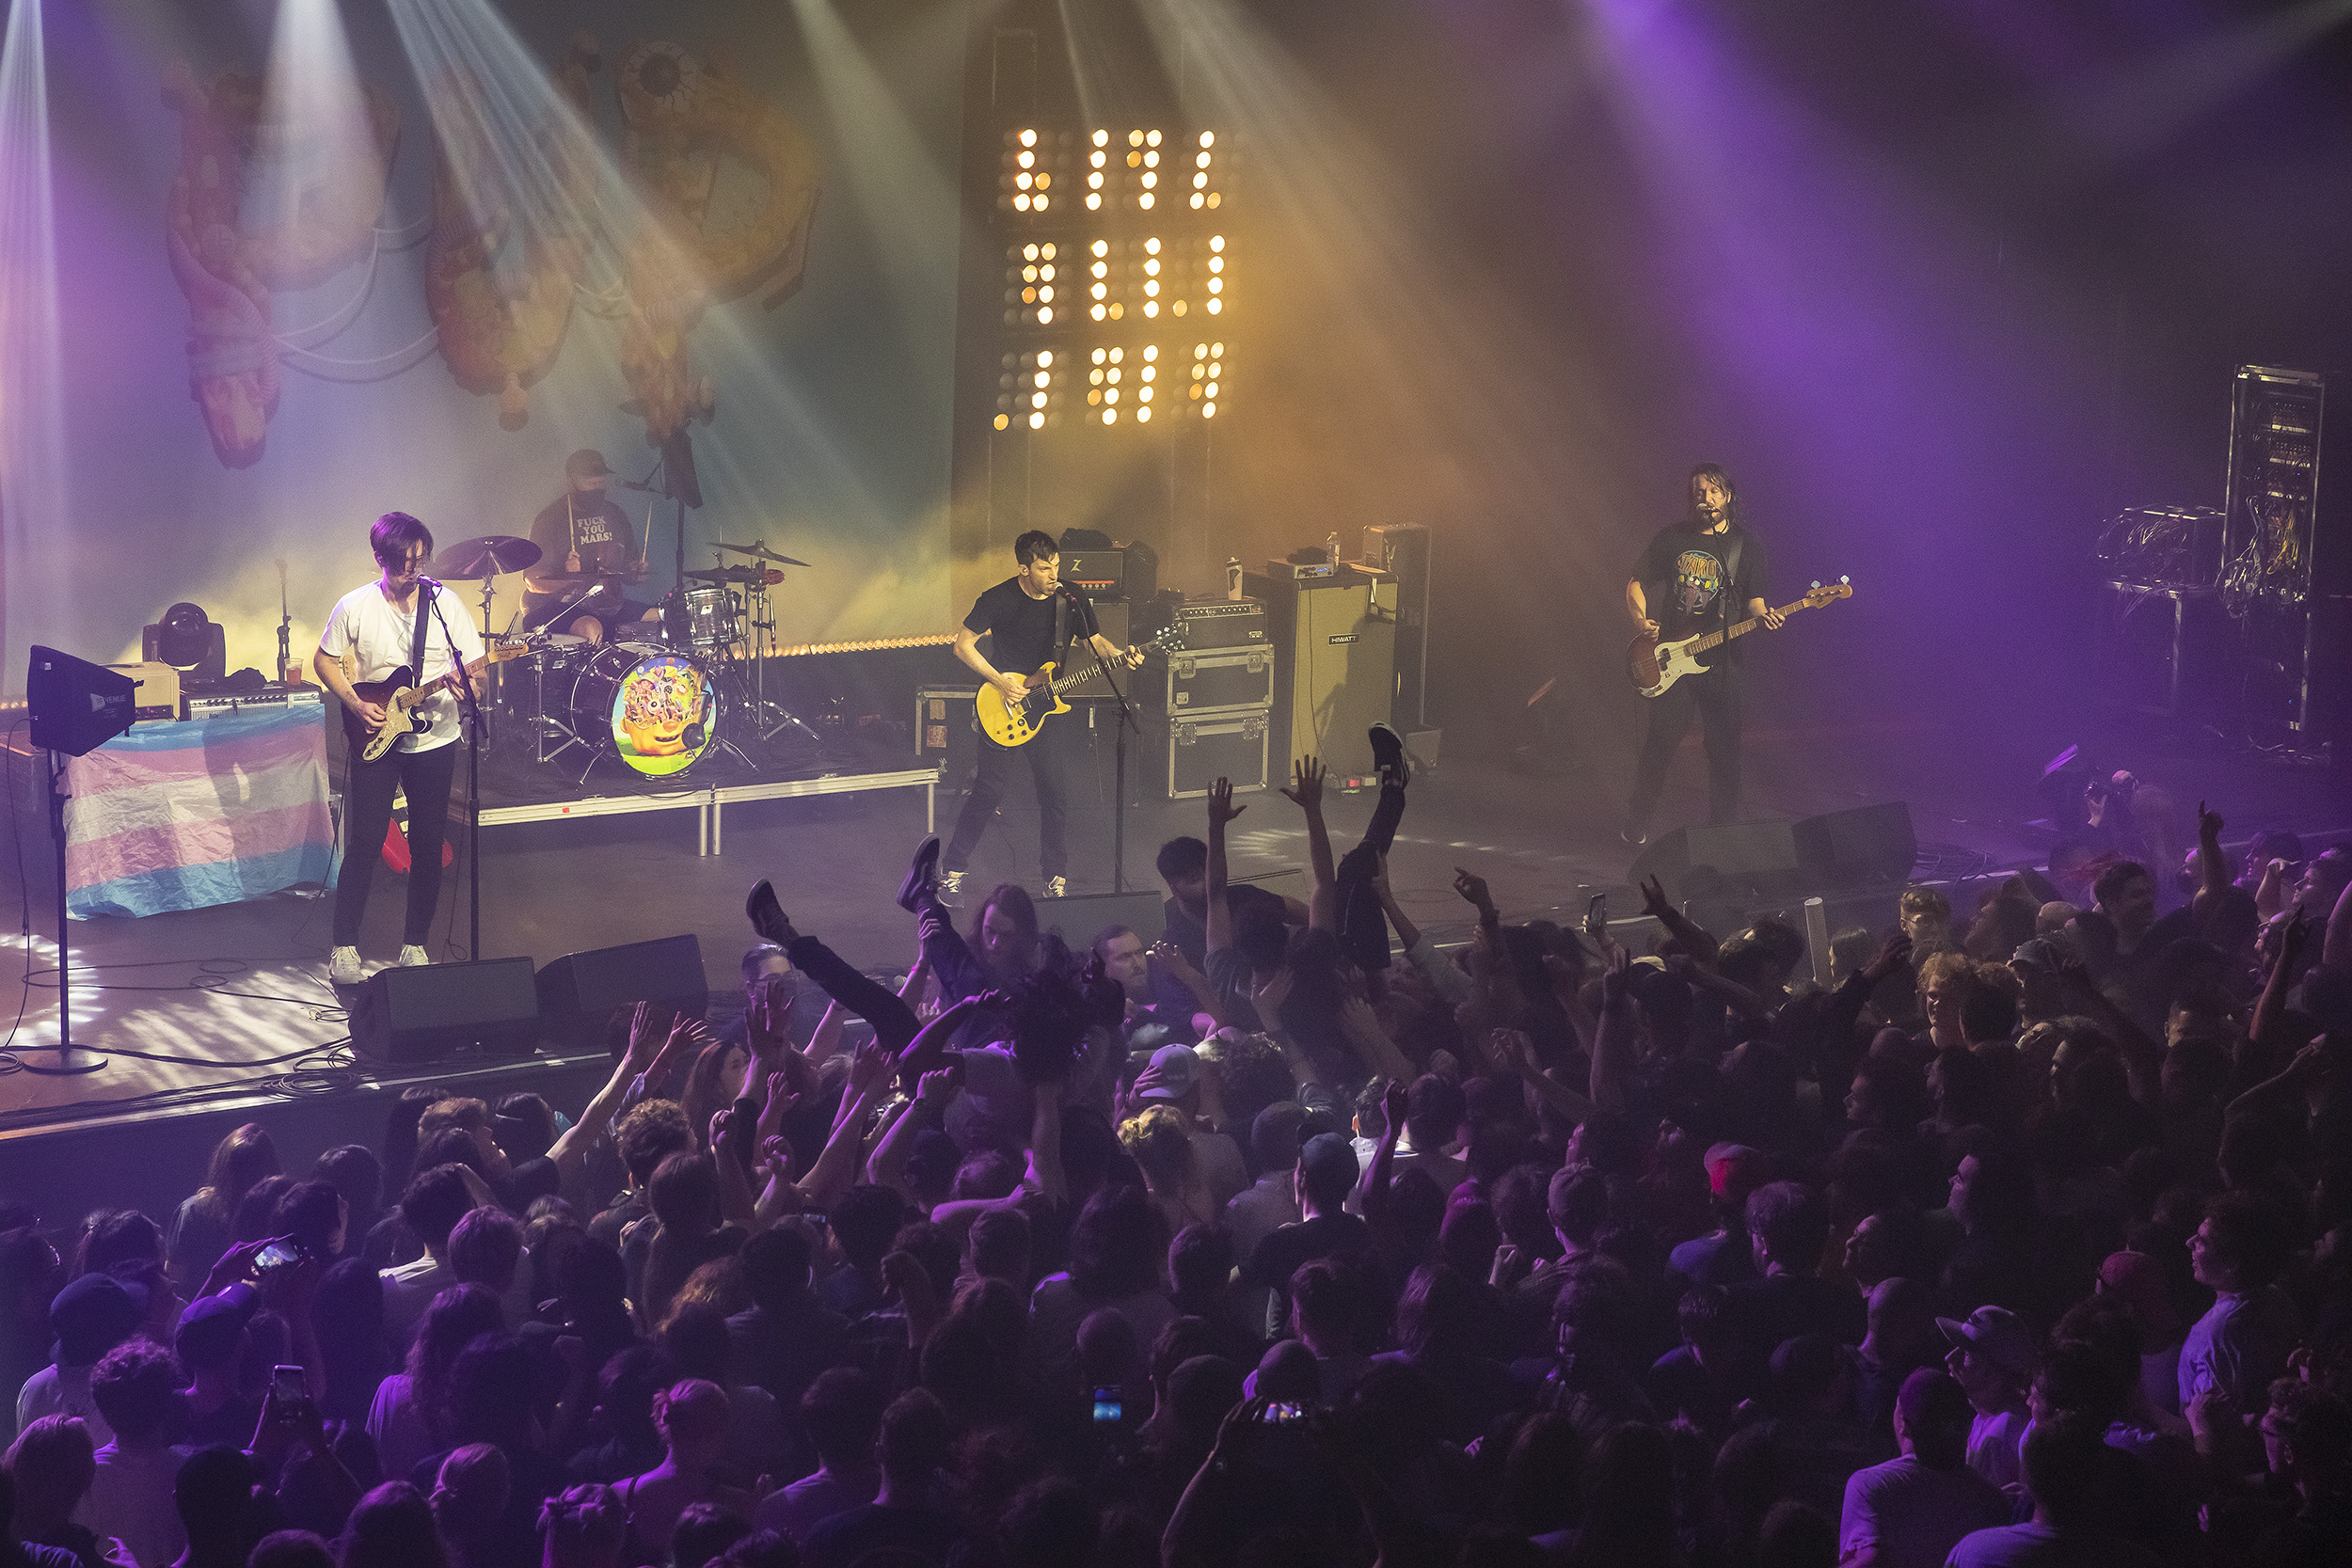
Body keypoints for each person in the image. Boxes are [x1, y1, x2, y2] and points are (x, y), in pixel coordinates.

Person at [314, 512, 486, 986]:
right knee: (367, 841)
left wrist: (469, 688)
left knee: (428, 843)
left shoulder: (446, 605)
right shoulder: (354, 606)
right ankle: (344, 946)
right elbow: (324, 660)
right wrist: (354, 703)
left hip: (436, 738)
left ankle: (415, 944)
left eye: (421, 559)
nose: (414, 569)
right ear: (381, 558)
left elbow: (478, 674)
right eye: (405, 561)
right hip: (376, 735)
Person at [940, 530, 1142, 899]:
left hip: (1046, 706)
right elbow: (962, 645)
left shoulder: (1070, 598)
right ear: (1024, 569)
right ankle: (951, 870)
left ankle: (1055, 877)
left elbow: (1095, 642)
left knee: (1054, 793)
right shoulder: (998, 598)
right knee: (988, 791)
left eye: (1057, 566)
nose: (1054, 575)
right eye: (1045, 568)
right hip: (1003, 703)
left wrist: (1119, 654)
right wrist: (1000, 681)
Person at [1623, 462, 1782, 843]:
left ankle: (1722, 835)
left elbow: (1754, 602)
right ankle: (1636, 822)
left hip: (1724, 665)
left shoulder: (1747, 546)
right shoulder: (1673, 538)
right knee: (1660, 744)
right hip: (1673, 661)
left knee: (1725, 753)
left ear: (1727, 496)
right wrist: (1641, 620)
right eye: (1698, 492)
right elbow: (1636, 582)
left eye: (1713, 491)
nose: (1705, 499)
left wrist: (1764, 617)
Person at [1836, 1369, 2009, 1568]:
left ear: (1904, 1425)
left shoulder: (1870, 1485)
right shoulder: (1993, 1500)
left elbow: (1870, 1560)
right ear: (1967, 1428)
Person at [521, 450, 655, 644]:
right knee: (591, 628)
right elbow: (533, 581)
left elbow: (628, 570)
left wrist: (636, 573)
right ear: (571, 480)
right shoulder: (550, 519)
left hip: (610, 607)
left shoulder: (615, 514)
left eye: (600, 482)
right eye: (590, 483)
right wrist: (568, 578)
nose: (596, 486)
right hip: (560, 608)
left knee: (660, 618)